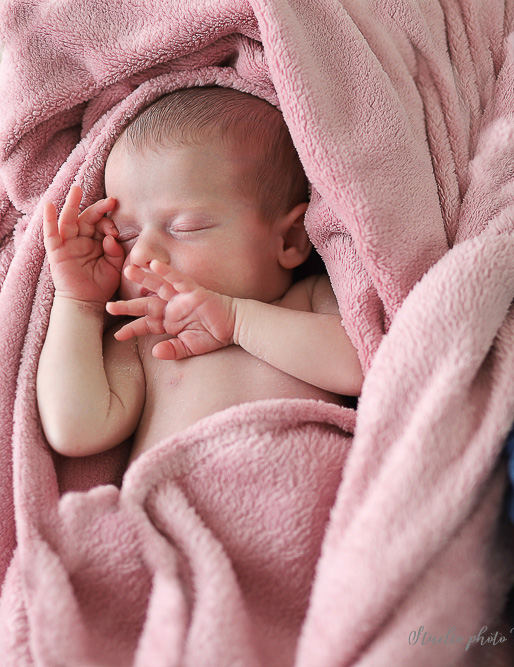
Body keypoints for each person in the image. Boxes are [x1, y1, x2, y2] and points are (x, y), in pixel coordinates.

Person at [37, 86, 364, 465]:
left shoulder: (310, 300)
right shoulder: (147, 341)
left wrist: (238, 321)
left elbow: (365, 364)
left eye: (185, 227)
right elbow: (75, 428)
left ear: (289, 239)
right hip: (176, 510)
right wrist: (79, 303)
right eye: (125, 235)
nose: (140, 254)